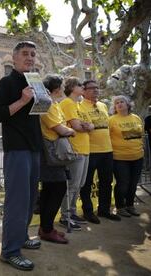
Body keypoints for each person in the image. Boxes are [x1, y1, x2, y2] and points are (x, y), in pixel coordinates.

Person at [0, 41, 42, 271]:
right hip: (17, 149)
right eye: (24, 54)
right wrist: (22, 100)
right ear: (14, 58)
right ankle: (10, 251)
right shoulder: (6, 82)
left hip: (34, 147)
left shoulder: (35, 81)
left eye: (32, 54)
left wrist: (45, 100)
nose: (29, 58)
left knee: (30, 199)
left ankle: (21, 238)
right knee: (17, 202)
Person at [38, 74, 75, 244]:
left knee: (49, 190)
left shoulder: (53, 104)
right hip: (50, 153)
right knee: (57, 189)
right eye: (61, 86)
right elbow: (60, 128)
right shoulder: (48, 104)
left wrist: (67, 129)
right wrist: (71, 131)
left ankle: (46, 227)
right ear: (57, 88)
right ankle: (46, 229)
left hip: (53, 153)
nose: (62, 89)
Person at [80, 80, 121, 223]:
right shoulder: (79, 106)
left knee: (107, 181)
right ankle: (88, 212)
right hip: (90, 150)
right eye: (92, 88)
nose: (96, 90)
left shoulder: (103, 105)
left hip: (107, 150)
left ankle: (104, 210)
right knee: (86, 183)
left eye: (97, 88)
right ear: (83, 91)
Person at [58, 77, 94, 231]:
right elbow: (77, 126)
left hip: (84, 149)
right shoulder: (67, 103)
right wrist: (87, 126)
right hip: (75, 149)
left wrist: (88, 126)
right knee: (72, 186)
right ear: (72, 87)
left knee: (79, 184)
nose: (83, 87)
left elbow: (90, 125)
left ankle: (71, 213)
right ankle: (65, 216)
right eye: (80, 85)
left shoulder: (78, 105)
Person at [109, 95, 144, 217]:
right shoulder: (112, 120)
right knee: (123, 183)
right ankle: (120, 207)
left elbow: (141, 136)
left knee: (133, 183)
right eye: (117, 103)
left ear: (128, 104)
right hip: (119, 158)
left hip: (138, 157)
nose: (119, 104)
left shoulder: (136, 118)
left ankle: (130, 205)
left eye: (121, 101)